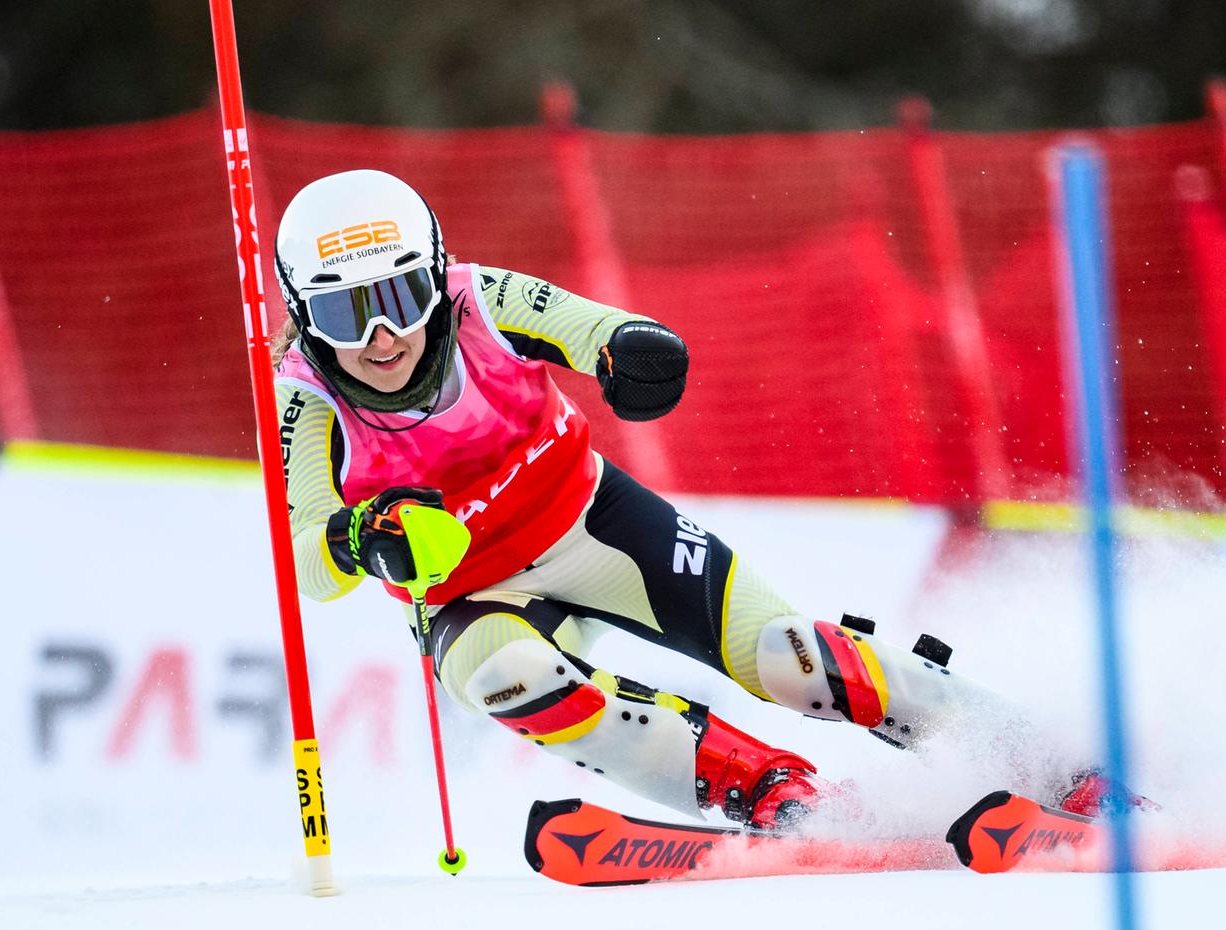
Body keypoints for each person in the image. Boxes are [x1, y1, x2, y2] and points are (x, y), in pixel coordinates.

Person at [271, 169, 1112, 831]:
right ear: (306, 317)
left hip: (593, 523)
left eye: (399, 298)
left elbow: (593, 329)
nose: (382, 337)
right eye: (346, 315)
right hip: (467, 593)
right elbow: (307, 560)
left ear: (434, 275)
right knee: (510, 677)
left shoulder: (477, 300)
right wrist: (357, 538)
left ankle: (1046, 763)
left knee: (788, 658)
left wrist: (633, 353)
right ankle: (769, 790)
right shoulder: (304, 399)